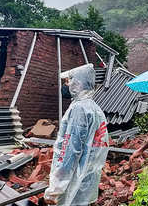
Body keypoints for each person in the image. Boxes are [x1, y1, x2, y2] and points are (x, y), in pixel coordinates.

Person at [44, 64, 109, 206]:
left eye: (67, 81)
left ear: (77, 84)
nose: (65, 85)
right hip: (87, 182)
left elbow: (70, 151)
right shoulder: (95, 109)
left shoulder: (79, 109)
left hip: (73, 185)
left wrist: (55, 189)